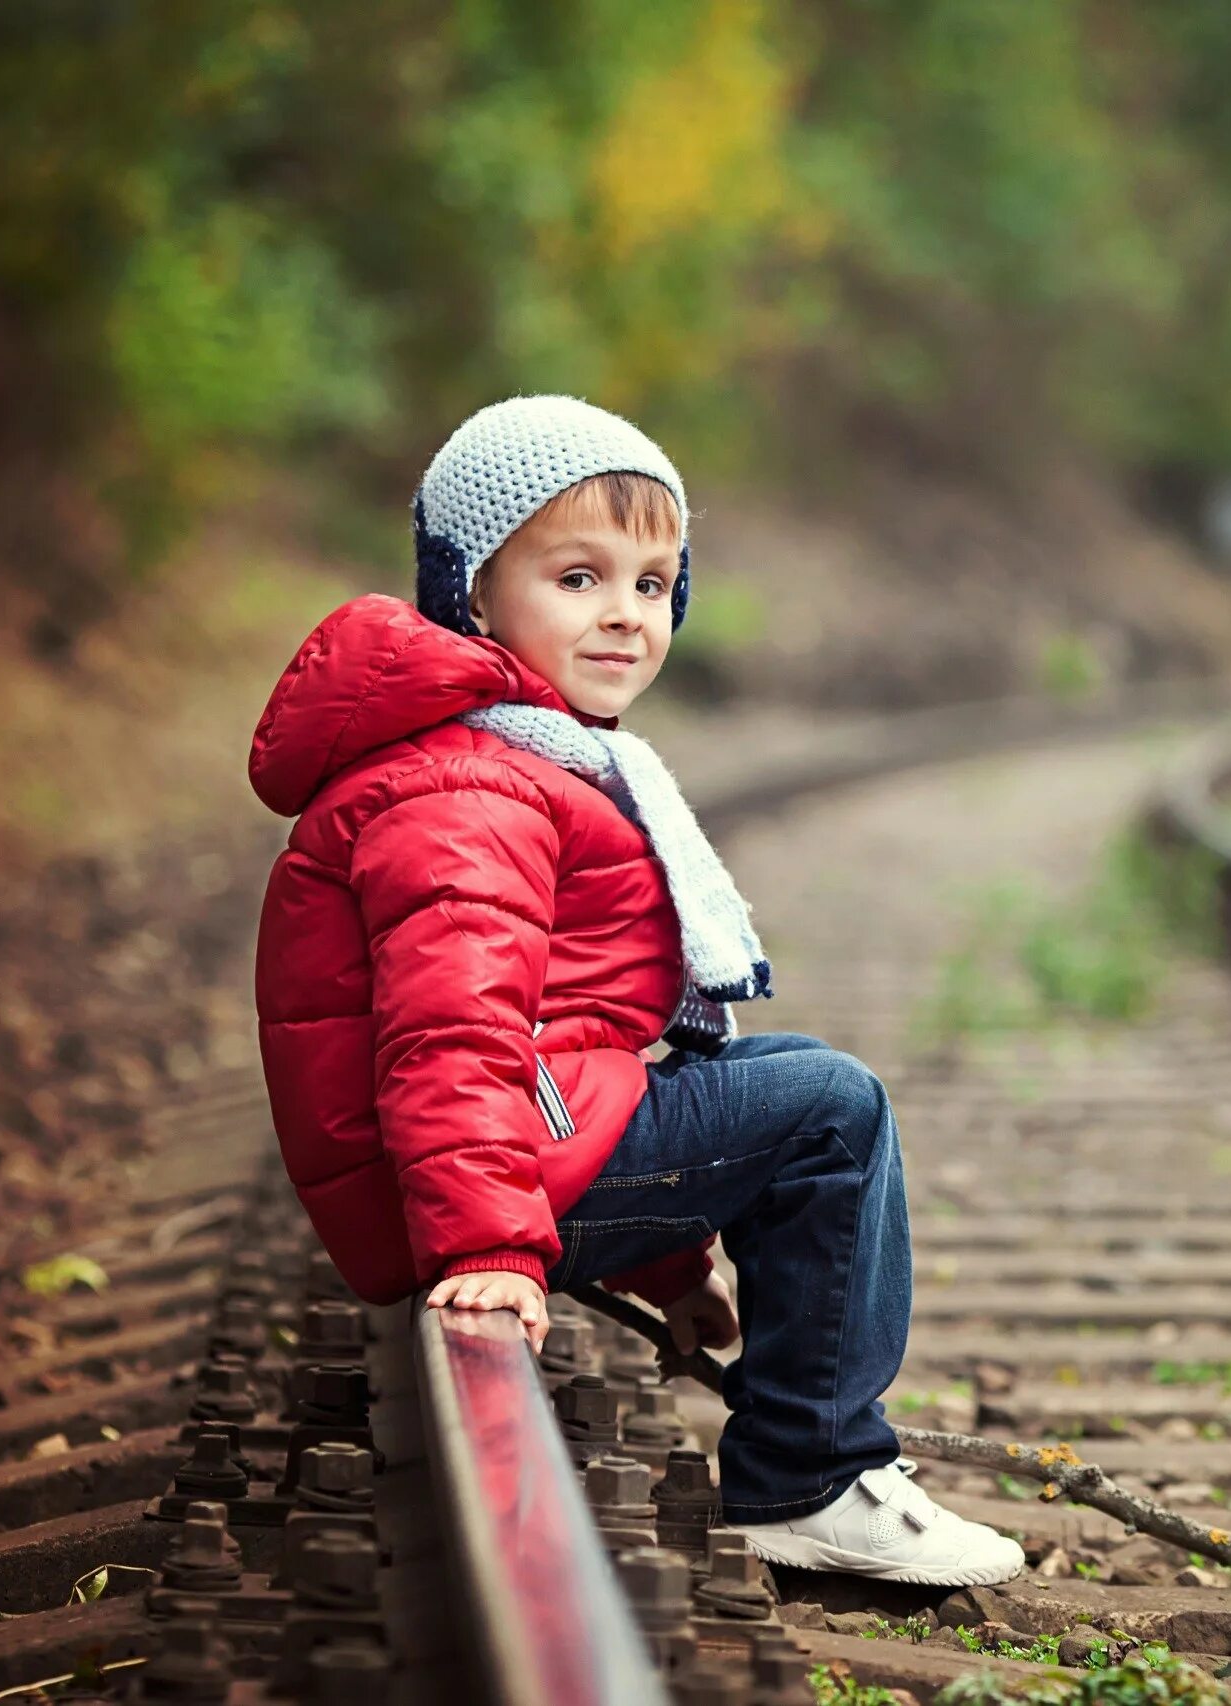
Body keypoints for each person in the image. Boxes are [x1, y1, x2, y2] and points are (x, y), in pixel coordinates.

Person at [248, 395, 1024, 1586]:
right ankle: (812, 1475)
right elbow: (451, 1037)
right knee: (831, 1105)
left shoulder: (507, 749)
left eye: (655, 582)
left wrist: (665, 1261)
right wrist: (493, 1246)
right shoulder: (473, 786)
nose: (626, 613)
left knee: (774, 1075)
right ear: (469, 589)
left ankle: (803, 1444)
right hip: (461, 1177)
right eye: (576, 576)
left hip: (504, 1141)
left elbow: (568, 1044)